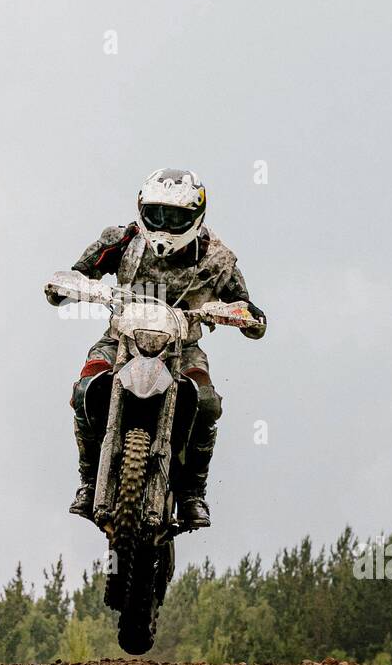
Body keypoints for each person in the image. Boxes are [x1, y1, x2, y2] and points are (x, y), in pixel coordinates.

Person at [53, 168, 266, 530]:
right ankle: (89, 480)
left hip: (183, 347)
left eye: (176, 216)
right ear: (142, 209)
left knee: (207, 402)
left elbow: (246, 307)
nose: (166, 224)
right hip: (119, 339)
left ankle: (193, 493)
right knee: (85, 388)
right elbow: (78, 272)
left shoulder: (217, 258)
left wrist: (243, 314)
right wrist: (66, 285)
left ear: (196, 216)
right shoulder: (122, 241)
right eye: (158, 214)